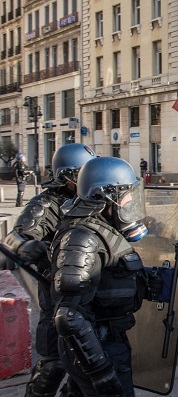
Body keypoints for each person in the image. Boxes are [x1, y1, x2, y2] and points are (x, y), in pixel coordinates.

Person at [50, 157, 161, 397]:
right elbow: (69, 316)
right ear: (103, 197)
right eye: (125, 194)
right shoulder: (83, 239)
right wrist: (100, 370)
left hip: (104, 341)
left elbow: (107, 279)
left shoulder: (101, 230)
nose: (130, 201)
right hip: (96, 349)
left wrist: (146, 280)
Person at [4, 143, 96, 397]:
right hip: (56, 292)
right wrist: (26, 246)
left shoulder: (91, 199)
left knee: (89, 364)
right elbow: (13, 238)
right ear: (67, 176)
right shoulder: (46, 204)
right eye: (81, 173)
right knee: (53, 363)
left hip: (89, 291)